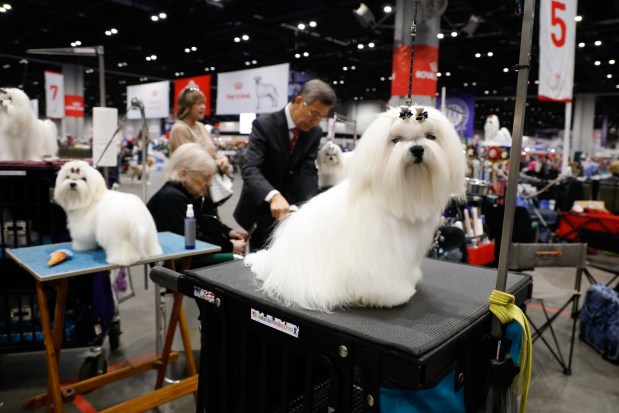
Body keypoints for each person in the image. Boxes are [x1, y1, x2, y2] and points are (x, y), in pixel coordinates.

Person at [234, 79, 336, 250]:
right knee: (259, 262)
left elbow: (308, 170)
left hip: (291, 211)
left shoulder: (314, 132)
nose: (316, 122)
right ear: (298, 102)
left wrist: (307, 204)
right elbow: (250, 169)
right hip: (262, 207)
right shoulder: (264, 124)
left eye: (322, 117)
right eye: (314, 114)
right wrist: (273, 195)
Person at [147, 143, 247, 257]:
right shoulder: (172, 199)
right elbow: (193, 241)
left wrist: (227, 232)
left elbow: (205, 222)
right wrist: (229, 246)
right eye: (206, 177)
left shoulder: (185, 194)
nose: (210, 184)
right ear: (184, 174)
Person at [169, 86, 231, 176]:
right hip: (188, 185)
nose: (203, 107)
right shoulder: (179, 129)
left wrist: (223, 159)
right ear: (187, 107)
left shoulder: (201, 126)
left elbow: (213, 152)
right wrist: (216, 164)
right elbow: (189, 162)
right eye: (198, 104)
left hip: (205, 183)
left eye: (203, 103)